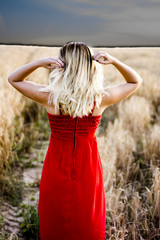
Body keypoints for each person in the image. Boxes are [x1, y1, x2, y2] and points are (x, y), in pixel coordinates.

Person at [8, 41, 142, 240]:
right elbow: (134, 82)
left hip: (56, 165)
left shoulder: (50, 96)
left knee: (55, 219)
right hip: (88, 167)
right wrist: (113, 61)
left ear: (63, 64)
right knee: (87, 220)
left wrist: (38, 63)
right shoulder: (100, 98)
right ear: (90, 65)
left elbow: (14, 79)